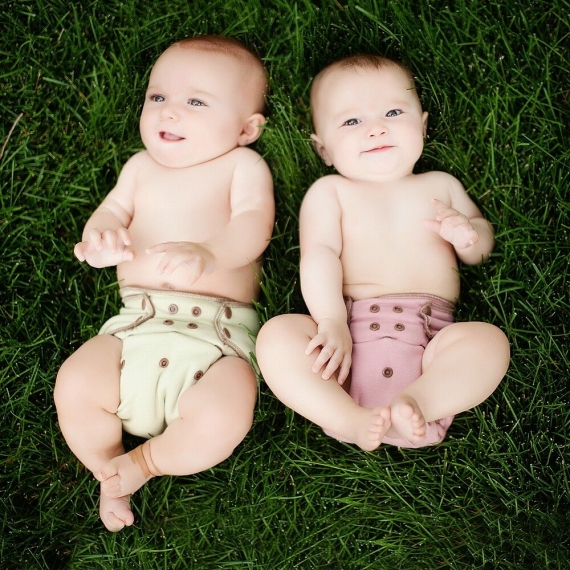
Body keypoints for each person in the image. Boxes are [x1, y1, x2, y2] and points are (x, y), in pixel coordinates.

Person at [54, 35, 274, 532]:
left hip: (217, 342)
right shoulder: (139, 168)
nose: (168, 111)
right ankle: (107, 471)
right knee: (76, 381)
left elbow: (253, 224)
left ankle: (145, 463)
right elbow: (110, 213)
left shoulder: (243, 166)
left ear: (247, 128)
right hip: (134, 328)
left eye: (196, 102)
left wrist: (211, 253)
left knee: (228, 406)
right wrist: (99, 240)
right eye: (158, 96)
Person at [256, 54, 509, 453]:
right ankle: (347, 417)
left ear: (421, 126)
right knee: (277, 336)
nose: (376, 129)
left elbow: (479, 250)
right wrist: (331, 320)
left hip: (432, 344)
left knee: (488, 341)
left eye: (393, 112)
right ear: (324, 150)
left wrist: (468, 235)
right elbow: (319, 255)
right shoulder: (330, 192)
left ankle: (420, 403)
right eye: (351, 121)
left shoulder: (441, 185)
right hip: (345, 343)